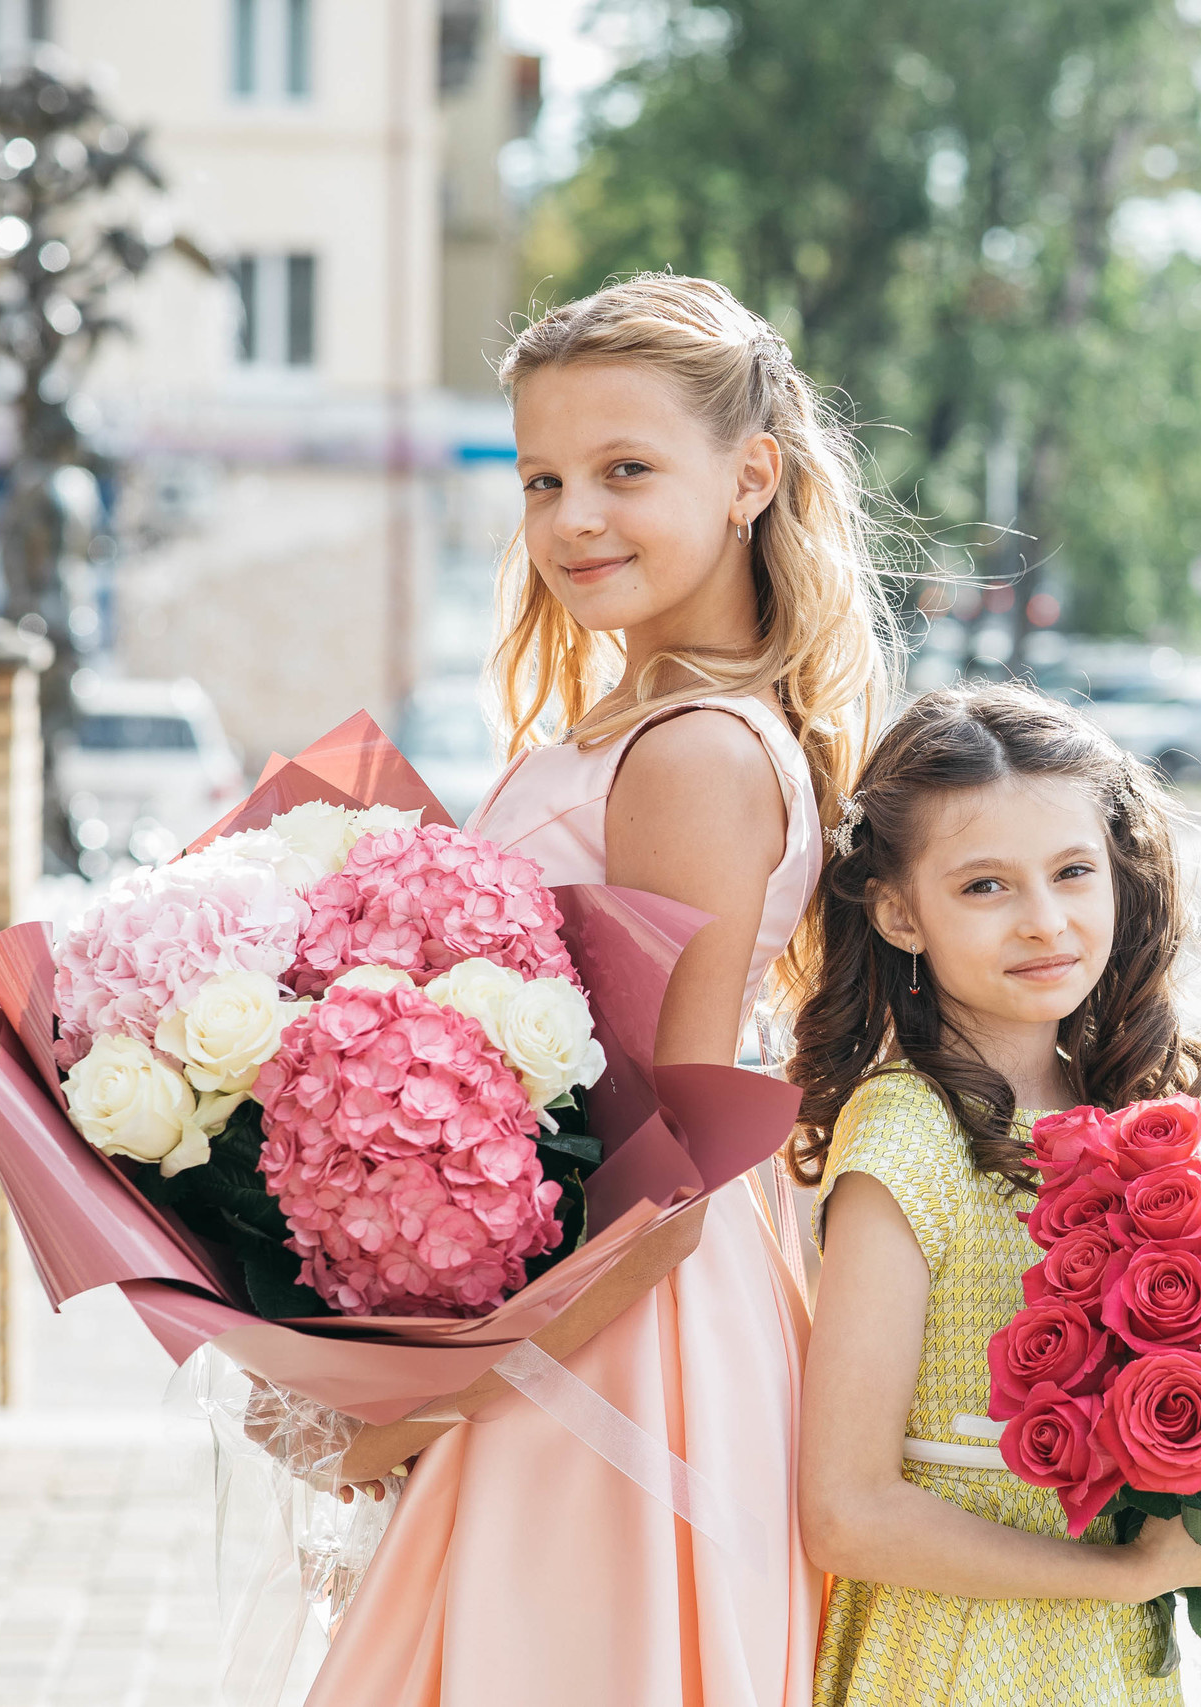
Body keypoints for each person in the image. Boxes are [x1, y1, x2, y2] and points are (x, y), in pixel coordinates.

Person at [307, 273, 897, 1706]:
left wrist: (424, 1398)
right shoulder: (626, 724)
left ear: (749, 473)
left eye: (627, 470)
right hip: (570, 1308)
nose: (574, 517)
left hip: (620, 1340)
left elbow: (663, 1172)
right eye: (543, 477)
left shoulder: (692, 753)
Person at [788, 684, 1201, 1706]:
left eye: (1073, 872)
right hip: (959, 1653)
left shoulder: (1119, 1110)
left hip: (1111, 1655)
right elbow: (845, 1511)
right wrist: (1123, 1575)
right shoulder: (908, 1135)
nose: (1045, 922)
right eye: (985, 888)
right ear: (901, 911)